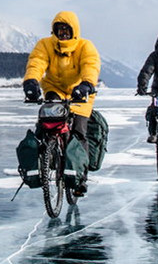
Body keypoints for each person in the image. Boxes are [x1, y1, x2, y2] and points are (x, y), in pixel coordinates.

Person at [22, 11, 101, 195]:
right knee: (46, 124)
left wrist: (87, 84)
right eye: (59, 29)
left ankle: (80, 177)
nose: (63, 33)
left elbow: (91, 65)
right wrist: (31, 82)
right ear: (54, 30)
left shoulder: (85, 46)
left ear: (74, 31)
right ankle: (47, 155)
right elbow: (36, 62)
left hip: (79, 92)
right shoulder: (45, 44)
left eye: (66, 29)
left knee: (79, 132)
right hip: (54, 89)